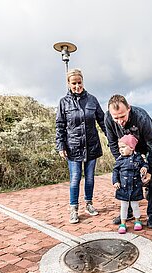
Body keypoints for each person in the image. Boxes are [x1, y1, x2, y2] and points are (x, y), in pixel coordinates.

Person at [56, 68, 106, 224]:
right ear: (69, 84)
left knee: (90, 178)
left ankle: (89, 204)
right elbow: (60, 125)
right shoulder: (63, 102)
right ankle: (74, 209)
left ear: (83, 81)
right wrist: (60, 145)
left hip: (92, 146)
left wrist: (114, 138)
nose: (77, 86)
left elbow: (103, 121)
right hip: (73, 147)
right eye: (74, 83)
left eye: (79, 82)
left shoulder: (92, 100)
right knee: (75, 178)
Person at [105, 94, 152, 228]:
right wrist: (122, 163)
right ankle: (129, 212)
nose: (119, 121)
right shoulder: (107, 118)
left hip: (147, 146)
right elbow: (113, 143)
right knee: (126, 178)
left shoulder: (141, 117)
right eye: (116, 118)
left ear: (128, 109)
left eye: (122, 116)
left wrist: (149, 170)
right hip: (127, 150)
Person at [112, 134, 148, 234]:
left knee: (135, 205)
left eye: (123, 147)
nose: (121, 150)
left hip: (135, 187)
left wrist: (144, 167)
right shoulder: (119, 160)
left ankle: (137, 221)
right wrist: (115, 181)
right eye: (120, 148)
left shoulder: (138, 158)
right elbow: (115, 171)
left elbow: (144, 164)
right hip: (123, 188)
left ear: (131, 147)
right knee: (124, 206)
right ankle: (123, 223)